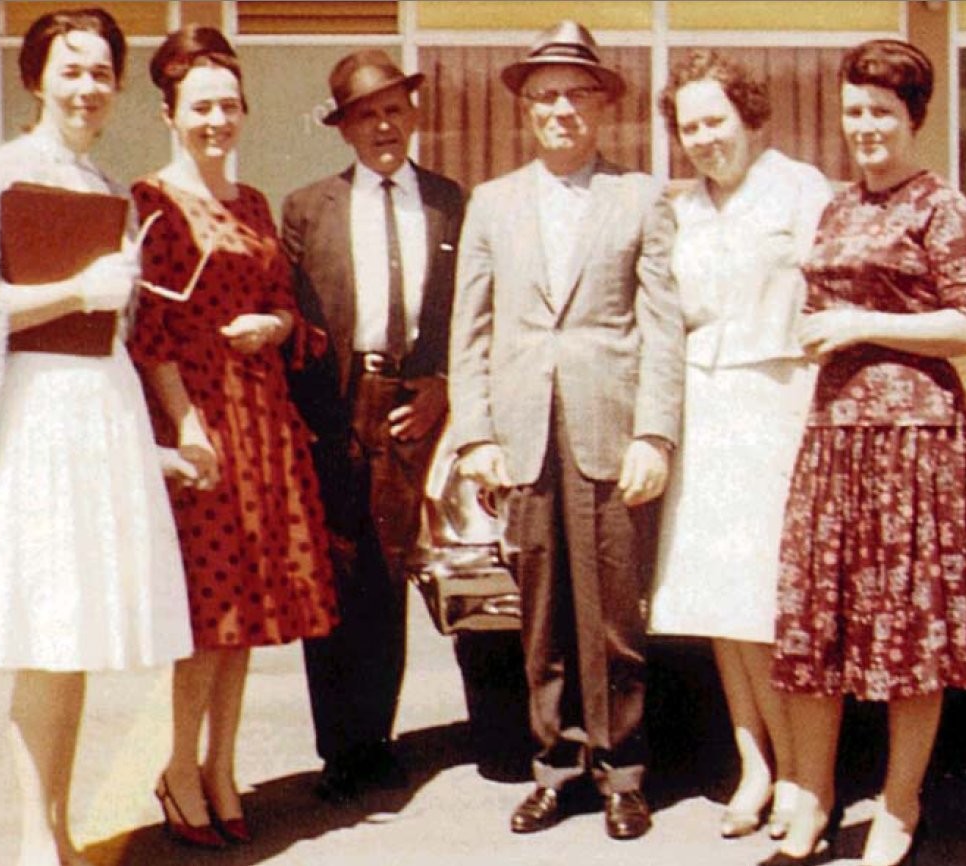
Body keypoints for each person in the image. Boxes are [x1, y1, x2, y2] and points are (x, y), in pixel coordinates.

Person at [0, 8, 194, 865]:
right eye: (70, 69)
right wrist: (76, 291)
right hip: (28, 428)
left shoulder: (107, 188)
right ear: (36, 78)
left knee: (71, 644)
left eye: (102, 71)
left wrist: (148, 445)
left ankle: (58, 833)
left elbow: (111, 335)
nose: (87, 87)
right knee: (41, 641)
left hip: (93, 422)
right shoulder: (1, 175)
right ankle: (38, 844)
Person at [766, 39, 966, 866]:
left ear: (914, 117)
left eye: (881, 112)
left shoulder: (943, 207)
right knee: (817, 620)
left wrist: (862, 324)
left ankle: (900, 805)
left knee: (911, 626)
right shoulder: (837, 208)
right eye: (853, 111)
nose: (864, 126)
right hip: (835, 434)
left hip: (914, 441)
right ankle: (814, 798)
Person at [448, 20, 684, 841]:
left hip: (609, 430)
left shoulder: (641, 197)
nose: (560, 110)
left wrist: (655, 433)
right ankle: (555, 767)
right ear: (526, 108)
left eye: (576, 94)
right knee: (540, 618)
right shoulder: (492, 202)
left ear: (601, 105)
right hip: (523, 438)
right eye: (544, 96)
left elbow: (663, 326)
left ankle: (623, 773)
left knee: (615, 618)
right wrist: (475, 434)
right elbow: (470, 329)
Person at [128, 25, 338, 847]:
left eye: (228, 105)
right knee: (208, 613)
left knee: (247, 613)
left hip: (260, 420)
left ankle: (222, 765)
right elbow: (150, 335)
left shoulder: (251, 203)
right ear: (170, 115)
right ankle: (179, 766)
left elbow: (287, 305)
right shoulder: (154, 203)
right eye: (200, 106)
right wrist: (187, 429)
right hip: (202, 424)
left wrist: (275, 325)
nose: (217, 120)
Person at [647, 50, 832, 841]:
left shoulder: (801, 189)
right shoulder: (681, 209)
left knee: (769, 602)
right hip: (706, 408)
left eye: (715, 120)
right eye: (689, 127)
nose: (703, 138)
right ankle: (754, 763)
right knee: (721, 603)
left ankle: (799, 774)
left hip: (779, 403)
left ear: (751, 118)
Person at [281, 49, 465, 802]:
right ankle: (339, 748)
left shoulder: (449, 202)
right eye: (366, 115)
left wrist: (443, 385)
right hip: (336, 401)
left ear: (413, 115)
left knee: (388, 573)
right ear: (345, 128)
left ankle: (377, 740)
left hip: (412, 398)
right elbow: (294, 319)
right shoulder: (308, 207)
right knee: (337, 569)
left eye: (394, 109)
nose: (383, 126)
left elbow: (469, 309)